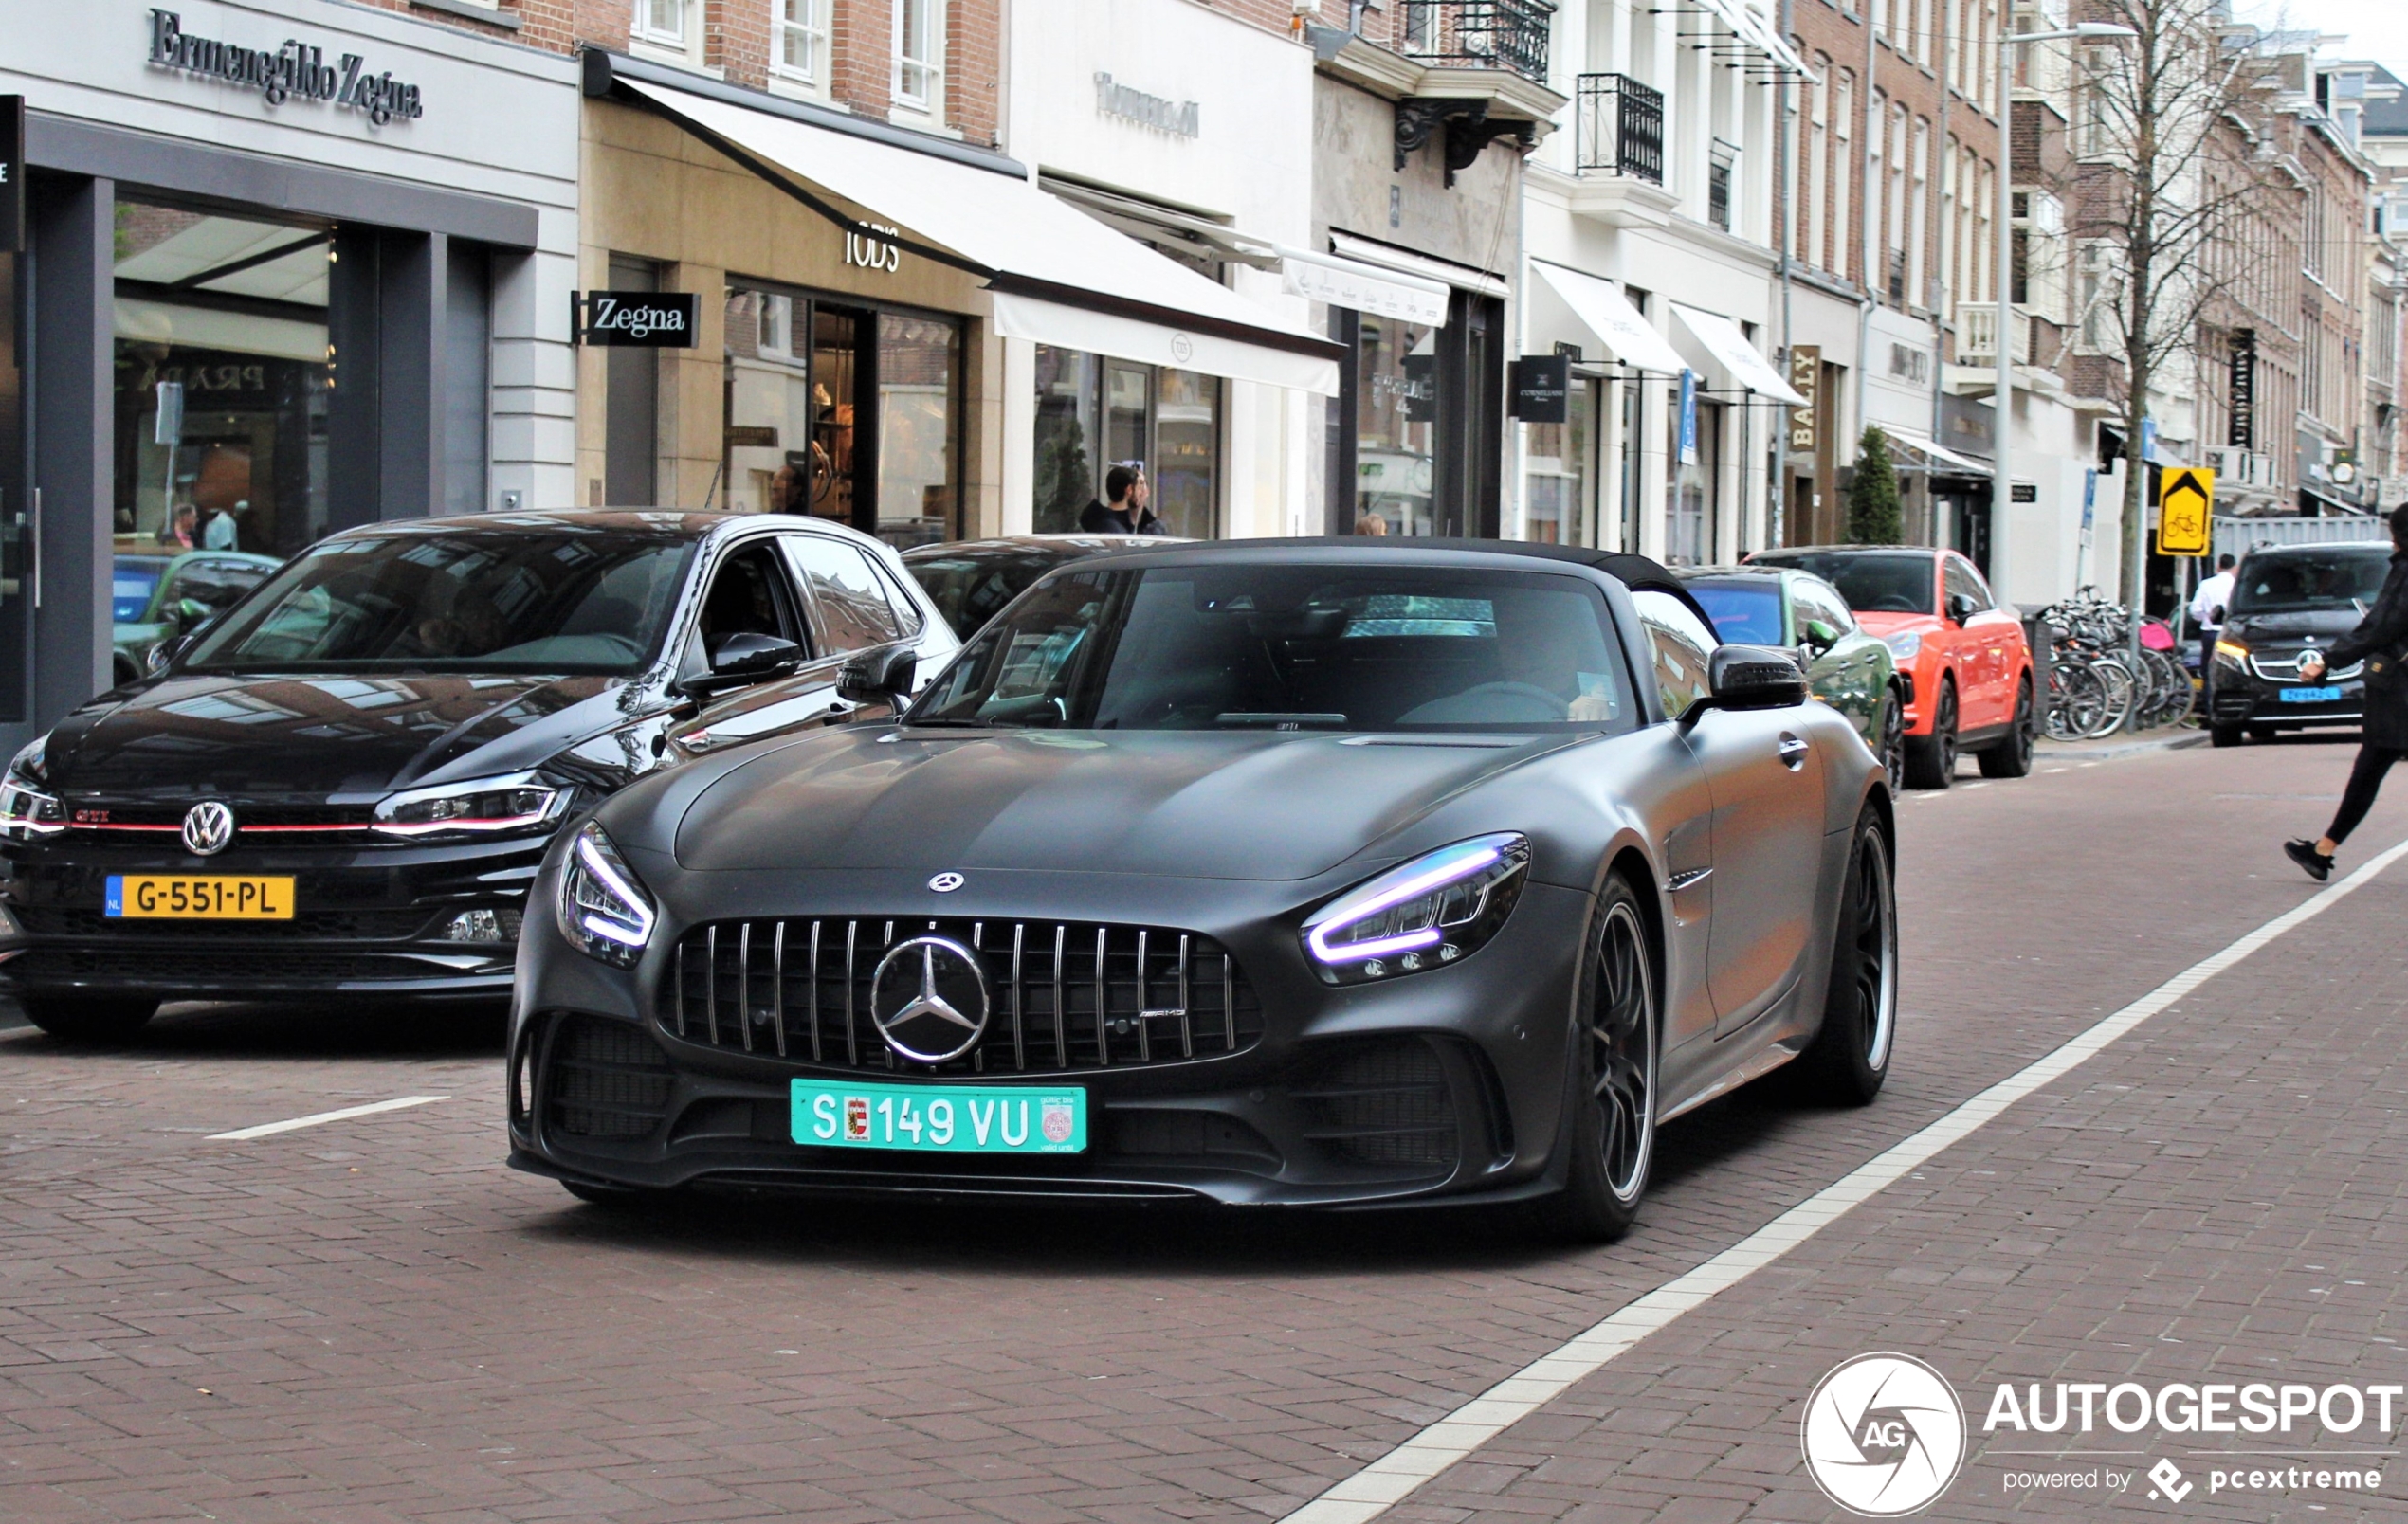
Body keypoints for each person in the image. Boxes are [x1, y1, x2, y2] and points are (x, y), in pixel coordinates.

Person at [2284, 503, 2408, 881]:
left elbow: (2380, 626)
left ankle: (2324, 850)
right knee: (2370, 767)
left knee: (2370, 768)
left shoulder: (2405, 570)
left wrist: (2327, 660)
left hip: (2399, 689)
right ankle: (2323, 849)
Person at [2190, 553, 2237, 684]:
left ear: (2218, 566)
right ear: (2234, 567)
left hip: (2210, 633)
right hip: (2231, 635)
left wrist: (2205, 617)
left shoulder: (2206, 585)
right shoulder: (2236, 586)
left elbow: (2195, 610)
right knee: (2231, 671)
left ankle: (2208, 700)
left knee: (2208, 672)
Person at [1078, 464, 1166, 535]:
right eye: (1140, 486)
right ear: (1129, 490)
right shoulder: (1112, 529)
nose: (1143, 492)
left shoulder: (1100, 520)